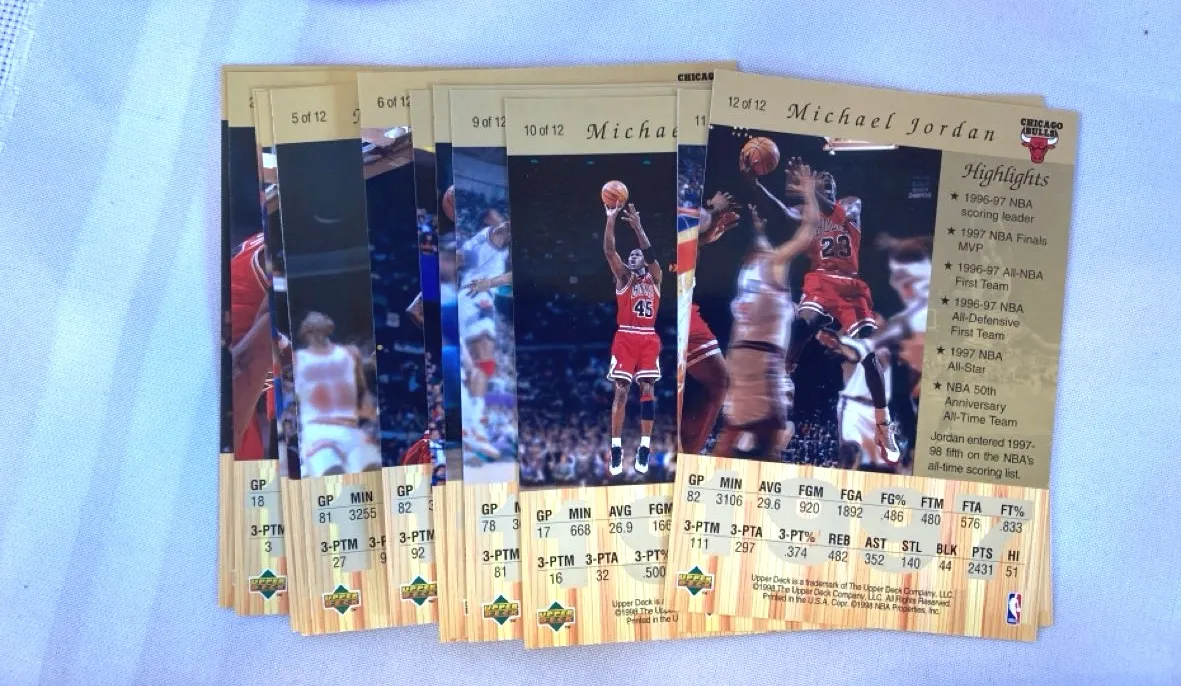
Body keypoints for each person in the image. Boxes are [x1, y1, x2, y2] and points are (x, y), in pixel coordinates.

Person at [745, 156, 900, 463]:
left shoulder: (851, 204)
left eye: (830, 180)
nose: (826, 180)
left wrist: (809, 190)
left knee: (869, 354)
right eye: (821, 179)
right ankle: (783, 383)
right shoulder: (808, 212)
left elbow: (829, 207)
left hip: (850, 286)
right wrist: (755, 184)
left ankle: (883, 425)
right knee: (801, 325)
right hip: (820, 280)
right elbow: (783, 210)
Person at [713, 166, 820, 460]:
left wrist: (759, 226)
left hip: (738, 360)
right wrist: (809, 192)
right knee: (771, 446)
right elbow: (809, 230)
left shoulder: (747, 270)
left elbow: (763, 236)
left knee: (729, 440)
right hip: (763, 363)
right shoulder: (773, 262)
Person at [603, 201, 662, 476]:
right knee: (622, 390)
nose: (635, 256)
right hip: (626, 336)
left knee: (648, 390)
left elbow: (651, 254)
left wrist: (638, 227)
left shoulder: (656, 278)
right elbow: (609, 251)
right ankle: (616, 448)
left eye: (638, 255)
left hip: (648, 337)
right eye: (632, 255)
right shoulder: (623, 277)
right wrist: (610, 219)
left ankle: (644, 448)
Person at [293, 312, 381, 477]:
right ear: (306, 332)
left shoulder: (350, 353)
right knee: (333, 473)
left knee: (373, 470)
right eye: (312, 320)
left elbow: (362, 395)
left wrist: (374, 416)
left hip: (350, 430)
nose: (317, 319)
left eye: (321, 318)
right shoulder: (297, 359)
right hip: (317, 431)